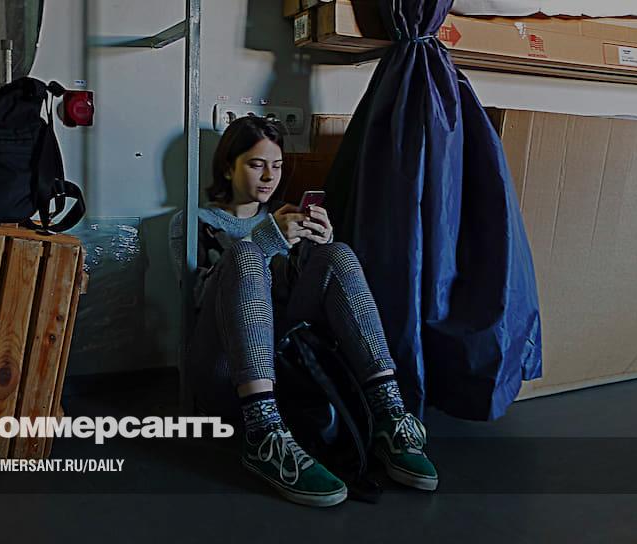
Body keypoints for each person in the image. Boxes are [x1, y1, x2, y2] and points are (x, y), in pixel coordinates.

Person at [169, 116, 437, 507]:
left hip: (288, 368)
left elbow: (307, 301)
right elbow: (197, 297)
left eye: (277, 166)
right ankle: (263, 433)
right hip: (221, 368)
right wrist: (263, 241)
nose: (269, 176)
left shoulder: (286, 215)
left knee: (338, 254)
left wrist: (319, 244)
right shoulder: (193, 222)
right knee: (245, 256)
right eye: (256, 164)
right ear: (228, 167)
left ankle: (389, 413)